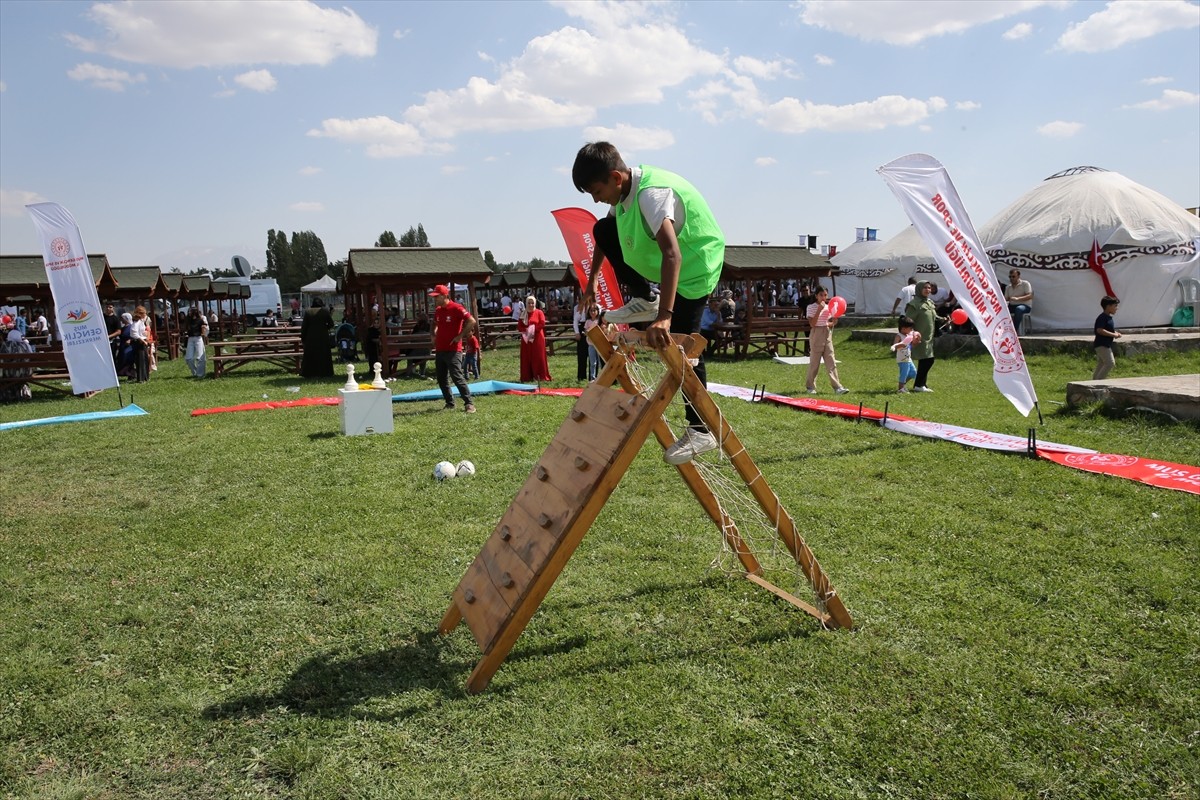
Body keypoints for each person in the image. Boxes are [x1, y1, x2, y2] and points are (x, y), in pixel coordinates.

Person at [572, 140, 724, 465]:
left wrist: (665, 317)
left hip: (696, 265)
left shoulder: (650, 195)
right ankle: (643, 298)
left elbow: (673, 253)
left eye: (596, 191)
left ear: (615, 177)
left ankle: (702, 429)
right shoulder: (623, 193)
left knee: (684, 343)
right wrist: (590, 283)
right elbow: (604, 237)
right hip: (670, 267)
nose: (596, 199)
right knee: (603, 228)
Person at [429, 284, 475, 413]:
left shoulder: (456, 308)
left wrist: (460, 335)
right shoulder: (438, 310)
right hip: (440, 349)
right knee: (441, 377)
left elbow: (471, 321)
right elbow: (434, 323)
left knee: (456, 376)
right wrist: (433, 335)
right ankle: (449, 403)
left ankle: (469, 403)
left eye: (436, 297)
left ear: (444, 296)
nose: (435, 299)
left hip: (454, 349)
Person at [804, 286, 849, 395]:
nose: (823, 297)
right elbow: (812, 324)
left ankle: (837, 387)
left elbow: (826, 323)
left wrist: (833, 322)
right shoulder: (811, 307)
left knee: (831, 360)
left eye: (825, 295)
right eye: (821, 295)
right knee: (815, 362)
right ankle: (810, 386)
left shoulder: (829, 307)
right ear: (816, 296)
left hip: (826, 333)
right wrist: (819, 309)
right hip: (816, 334)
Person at [905, 280, 942, 392]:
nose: (928, 290)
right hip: (919, 337)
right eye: (925, 288)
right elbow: (908, 321)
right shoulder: (914, 304)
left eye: (929, 288)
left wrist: (944, 319)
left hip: (928, 337)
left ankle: (921, 385)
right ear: (919, 289)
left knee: (925, 360)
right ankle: (918, 385)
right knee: (927, 360)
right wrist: (912, 334)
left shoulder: (929, 302)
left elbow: (934, 316)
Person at [518, 294, 552, 382]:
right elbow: (519, 326)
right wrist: (526, 331)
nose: (531, 305)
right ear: (526, 303)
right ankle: (527, 376)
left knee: (538, 357)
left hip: (537, 338)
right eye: (529, 303)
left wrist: (532, 330)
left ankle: (540, 376)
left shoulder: (539, 312)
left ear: (535, 303)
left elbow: (542, 323)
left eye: (532, 303)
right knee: (527, 357)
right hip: (526, 339)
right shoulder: (523, 313)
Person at [299, 298, 334, 378]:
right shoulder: (325, 311)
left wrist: (303, 337)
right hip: (323, 337)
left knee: (310, 355)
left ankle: (309, 373)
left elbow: (304, 327)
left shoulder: (308, 312)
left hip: (310, 337)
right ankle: (326, 372)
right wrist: (325, 328)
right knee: (324, 355)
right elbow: (331, 324)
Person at [1092, 295, 1122, 380]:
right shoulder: (1102, 317)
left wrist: (1116, 333)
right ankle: (1098, 383)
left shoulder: (1108, 318)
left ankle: (1093, 381)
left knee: (1102, 363)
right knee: (1110, 363)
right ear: (1108, 306)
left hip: (1104, 344)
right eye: (1115, 306)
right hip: (1102, 344)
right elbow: (1100, 330)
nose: (1117, 308)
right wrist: (1113, 335)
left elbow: (1107, 330)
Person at [890, 316, 919, 393]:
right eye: (910, 328)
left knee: (913, 372)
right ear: (903, 328)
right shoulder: (899, 336)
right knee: (904, 373)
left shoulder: (908, 336)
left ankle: (902, 385)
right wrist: (901, 345)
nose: (911, 330)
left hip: (908, 358)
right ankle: (900, 388)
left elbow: (910, 346)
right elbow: (895, 346)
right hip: (902, 359)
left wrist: (915, 342)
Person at [184, 306, 209, 378]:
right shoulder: (188, 320)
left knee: (200, 357)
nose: (189, 312)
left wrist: (204, 330)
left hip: (198, 338)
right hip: (190, 339)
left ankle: (200, 374)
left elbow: (205, 327)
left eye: (190, 311)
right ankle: (195, 372)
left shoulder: (200, 320)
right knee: (189, 358)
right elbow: (186, 329)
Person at [572, 293, 589, 382]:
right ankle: (581, 376)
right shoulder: (577, 308)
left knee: (592, 354)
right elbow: (575, 321)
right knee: (581, 354)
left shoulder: (592, 306)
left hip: (591, 326)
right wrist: (577, 333)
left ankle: (592, 376)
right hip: (581, 327)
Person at [584, 304, 604, 381]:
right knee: (593, 362)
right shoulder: (588, 321)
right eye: (591, 311)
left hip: (599, 344)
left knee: (600, 361)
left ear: (598, 311)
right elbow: (586, 331)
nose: (592, 312)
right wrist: (587, 332)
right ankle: (592, 376)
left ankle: (600, 376)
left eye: (594, 310)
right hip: (591, 344)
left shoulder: (599, 321)